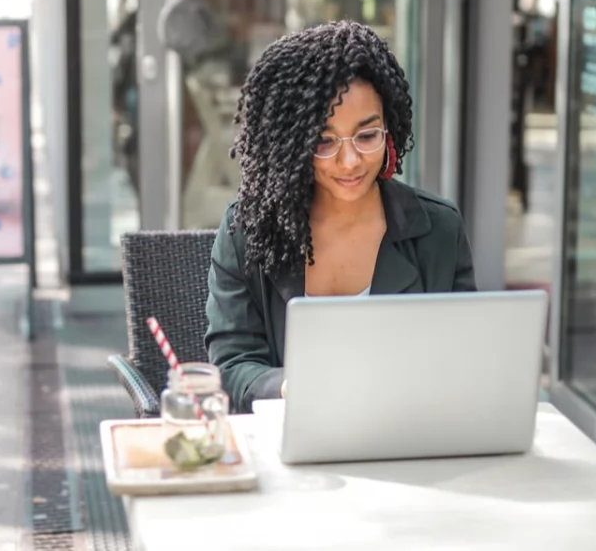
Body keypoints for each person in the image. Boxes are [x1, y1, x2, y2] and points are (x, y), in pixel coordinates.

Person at [204, 21, 477, 413]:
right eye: (324, 141)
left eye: (367, 136)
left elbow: (464, 362)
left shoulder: (439, 230)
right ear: (292, 145)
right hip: (290, 446)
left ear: (390, 131)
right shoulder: (247, 231)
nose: (349, 162)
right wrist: (288, 386)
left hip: (411, 439)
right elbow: (231, 367)